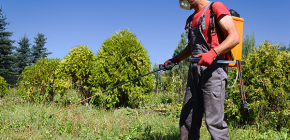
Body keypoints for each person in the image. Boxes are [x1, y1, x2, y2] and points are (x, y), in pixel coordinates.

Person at [164, 0, 240, 139]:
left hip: (214, 71)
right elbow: (191, 47)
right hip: (194, 72)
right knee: (188, 119)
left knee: (214, 122)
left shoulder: (215, 7)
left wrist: (212, 53)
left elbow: (234, 37)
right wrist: (174, 60)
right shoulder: (191, 18)